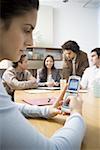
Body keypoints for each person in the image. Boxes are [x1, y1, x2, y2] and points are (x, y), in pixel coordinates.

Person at [0, 0, 86, 150]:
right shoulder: (15, 72)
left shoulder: (75, 61)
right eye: (27, 30)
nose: (31, 41)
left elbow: (9, 106)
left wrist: (45, 110)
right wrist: (77, 113)